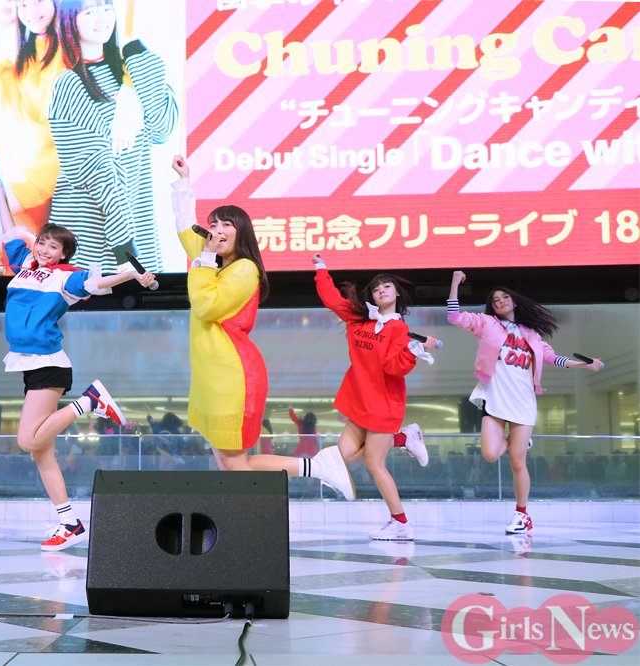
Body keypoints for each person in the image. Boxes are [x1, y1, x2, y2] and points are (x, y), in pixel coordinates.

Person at [170, 155, 355, 497]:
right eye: (213, 224)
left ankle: (315, 467)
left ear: (241, 232)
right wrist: (184, 180)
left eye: (227, 224)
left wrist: (205, 259)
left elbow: (207, 305)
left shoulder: (244, 269)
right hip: (213, 376)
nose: (217, 230)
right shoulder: (212, 262)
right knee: (228, 464)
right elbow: (184, 227)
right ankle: (306, 474)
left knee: (234, 464)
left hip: (233, 375)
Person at [3, 218, 156, 551]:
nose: (44, 249)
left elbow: (96, 283)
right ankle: (69, 523)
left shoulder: (65, 277)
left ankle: (90, 401)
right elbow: (9, 230)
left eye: (53, 246)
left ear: (63, 254)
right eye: (42, 242)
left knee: (27, 441)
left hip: (47, 365)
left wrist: (131, 275)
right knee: (41, 454)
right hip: (32, 367)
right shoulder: (24, 266)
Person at [447, 271, 604, 535]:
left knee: (517, 463)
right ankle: (518, 440)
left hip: (523, 401)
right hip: (494, 397)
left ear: (515, 301)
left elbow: (553, 358)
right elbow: (454, 317)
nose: (500, 302)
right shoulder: (486, 323)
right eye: (495, 300)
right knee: (490, 454)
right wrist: (454, 283)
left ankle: (522, 515)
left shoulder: (531, 334)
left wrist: (585, 365)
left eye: (504, 297)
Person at [312, 252, 439, 540]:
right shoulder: (359, 319)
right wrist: (321, 269)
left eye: (387, 287)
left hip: (384, 404)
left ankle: (401, 523)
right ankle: (404, 439)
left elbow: (393, 368)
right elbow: (331, 299)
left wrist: (414, 350)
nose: (381, 291)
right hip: (359, 401)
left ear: (397, 293)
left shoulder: (399, 329)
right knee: (341, 457)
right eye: (377, 288)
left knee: (373, 463)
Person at [47, 0, 178, 273]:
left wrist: (137, 54)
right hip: (90, 230)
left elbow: (162, 129)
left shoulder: (133, 72)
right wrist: (124, 249)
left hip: (135, 222)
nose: (102, 18)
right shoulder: (69, 83)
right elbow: (98, 171)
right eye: (89, 11)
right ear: (70, 20)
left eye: (106, 8)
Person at [0, 0, 64, 233]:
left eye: (38, 1)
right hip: (29, 164)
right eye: (22, 5)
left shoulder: (70, 49)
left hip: (57, 165)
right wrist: (1, 24)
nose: (30, 12)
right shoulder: (26, 54)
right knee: (28, 240)